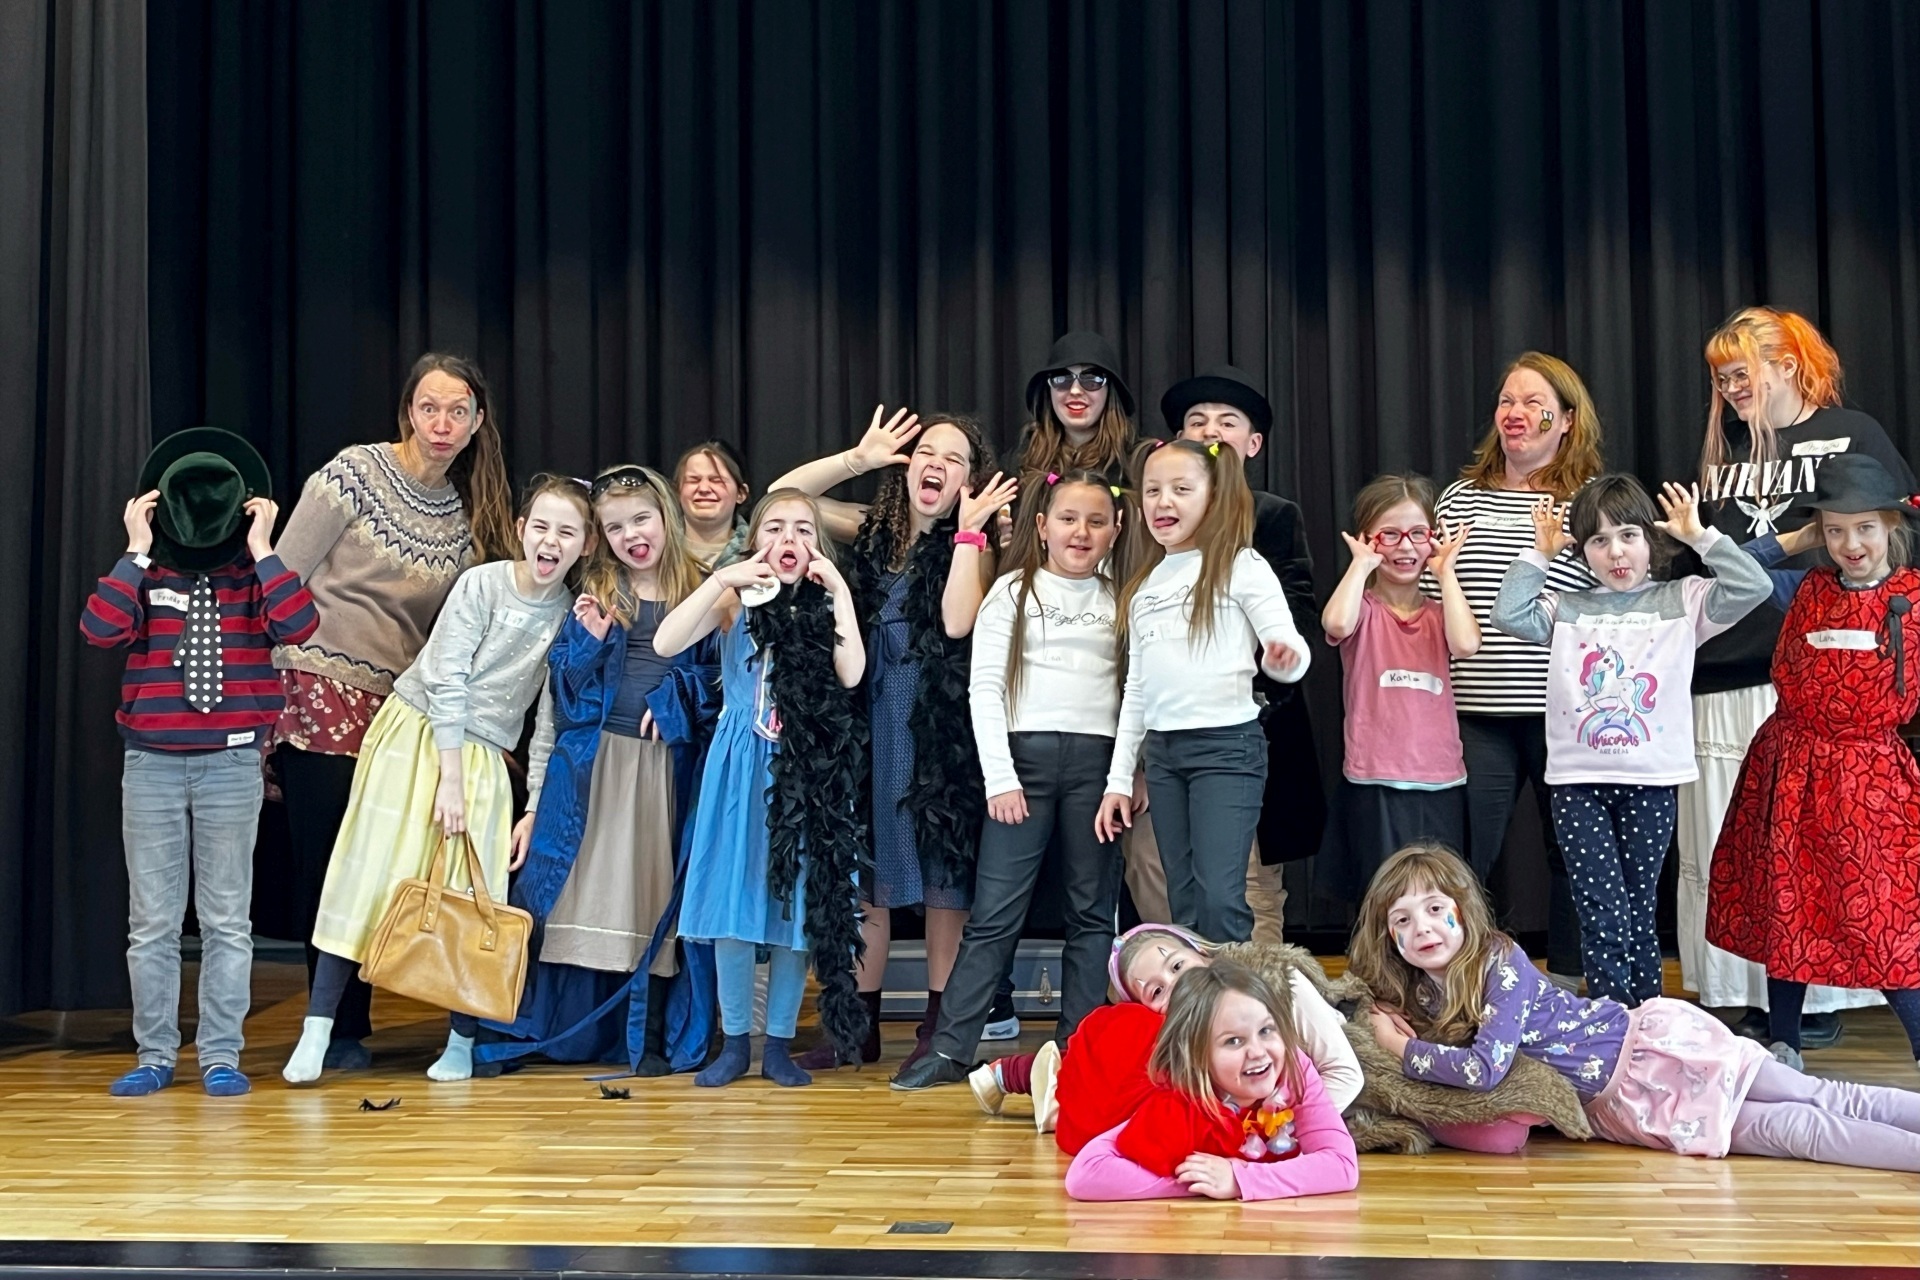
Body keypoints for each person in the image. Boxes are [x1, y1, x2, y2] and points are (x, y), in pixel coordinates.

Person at [281, 477, 592, 1085]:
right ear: (522, 529)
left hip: (485, 754)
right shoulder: (482, 584)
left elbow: (550, 721)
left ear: (585, 544)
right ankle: (317, 1030)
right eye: (541, 526)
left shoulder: (567, 615)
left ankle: (461, 1040)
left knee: (475, 894)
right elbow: (447, 676)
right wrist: (447, 779)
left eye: (567, 532)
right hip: (418, 733)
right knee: (366, 873)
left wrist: (532, 807)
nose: (550, 542)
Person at [1353, 843, 1920, 1170]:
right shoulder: (1421, 994)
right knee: (1793, 1132)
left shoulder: (1500, 962)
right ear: (1389, 937)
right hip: (1624, 1106)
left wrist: (1403, 1049)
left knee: (1819, 1096)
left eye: (1435, 908)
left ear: (1464, 909)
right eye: (1403, 919)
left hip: (1655, 1048)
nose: (1422, 927)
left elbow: (1485, 1070)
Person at [270, 353, 516, 1070]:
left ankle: (358, 1018)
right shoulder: (352, 474)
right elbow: (282, 578)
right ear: (408, 410)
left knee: (381, 861)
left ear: (477, 422)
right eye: (429, 408)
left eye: (458, 412)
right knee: (328, 860)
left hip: (401, 708)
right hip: (317, 686)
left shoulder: (469, 515)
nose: (442, 424)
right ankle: (337, 1027)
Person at [1678, 307, 1912, 1044]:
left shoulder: (1851, 433)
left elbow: (1900, 533)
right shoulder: (1726, 450)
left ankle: (1824, 1010)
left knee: (1846, 869)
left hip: (1840, 703)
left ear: (1787, 365)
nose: (1730, 389)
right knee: (1759, 863)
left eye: (1741, 373)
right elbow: (1713, 567)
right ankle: (1763, 1013)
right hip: (1735, 679)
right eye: (1721, 378)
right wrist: (1792, 541)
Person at [771, 408, 1010, 1069]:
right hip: (865, 722)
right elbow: (782, 498)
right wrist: (857, 458)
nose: (937, 464)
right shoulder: (867, 529)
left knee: (943, 879)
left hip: (937, 730)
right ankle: (856, 1029)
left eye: (955, 458)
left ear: (970, 479)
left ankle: (940, 1029)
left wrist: (968, 533)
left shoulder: (980, 545)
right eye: (927, 451)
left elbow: (958, 623)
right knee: (866, 879)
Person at [83, 429, 319, 1097]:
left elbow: (299, 626)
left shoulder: (253, 581)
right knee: (153, 923)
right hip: (152, 765)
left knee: (226, 921)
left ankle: (220, 1055)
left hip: (231, 765)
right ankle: (155, 1053)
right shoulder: (148, 575)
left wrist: (264, 549)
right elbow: (99, 629)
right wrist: (135, 549)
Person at [1490, 477, 1771, 1006]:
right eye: (1599, 541)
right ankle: (1614, 1022)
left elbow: (1752, 587)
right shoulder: (1566, 606)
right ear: (1583, 552)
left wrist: (1701, 537)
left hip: (1652, 782)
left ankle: (1646, 1018)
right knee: (1601, 912)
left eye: (1627, 536)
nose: (1616, 552)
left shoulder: (1683, 598)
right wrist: (1540, 554)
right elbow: (1508, 615)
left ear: (1650, 539)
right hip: (1578, 785)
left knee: (1639, 913)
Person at [889, 472, 1128, 1090]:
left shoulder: (1124, 597)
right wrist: (1000, 778)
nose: (1081, 532)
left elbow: (1138, 692)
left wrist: (1127, 774)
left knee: (1091, 913)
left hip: (1099, 767)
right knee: (995, 913)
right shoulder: (1011, 591)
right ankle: (950, 1048)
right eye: (1068, 519)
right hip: (1021, 765)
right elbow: (985, 689)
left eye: (1096, 521)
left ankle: (1078, 1048)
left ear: (1116, 530)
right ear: (1041, 526)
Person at [479, 466, 718, 1076]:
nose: (631, 535)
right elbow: (561, 699)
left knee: (648, 899)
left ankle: (645, 1037)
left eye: (641, 520)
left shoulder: (705, 589)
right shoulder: (597, 593)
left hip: (662, 774)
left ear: (666, 516)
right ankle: (551, 1031)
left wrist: (677, 702)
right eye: (614, 527)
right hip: (593, 769)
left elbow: (721, 683)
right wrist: (585, 643)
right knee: (573, 894)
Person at [1707, 454, 1920, 1072]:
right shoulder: (1804, 588)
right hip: (1791, 769)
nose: (1851, 545)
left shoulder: (1913, 598)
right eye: (1835, 530)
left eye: (1865, 528)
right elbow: (1733, 567)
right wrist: (1797, 539)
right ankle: (1785, 1047)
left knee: (1881, 917)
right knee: (1789, 903)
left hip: (1869, 781)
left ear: (1891, 526)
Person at [657, 490, 867, 1087]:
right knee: (734, 904)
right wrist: (722, 579)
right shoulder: (733, 601)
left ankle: (778, 1045)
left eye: (803, 529)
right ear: (754, 543)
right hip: (740, 768)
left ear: (817, 548)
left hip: (806, 770)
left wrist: (840, 594)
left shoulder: (826, 605)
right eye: (774, 528)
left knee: (799, 905)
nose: (788, 539)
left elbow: (852, 673)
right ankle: (734, 1044)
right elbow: (666, 642)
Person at [1432, 352, 1604, 986]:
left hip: (1564, 711)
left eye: (1535, 404)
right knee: (1466, 854)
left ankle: (1571, 983)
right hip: (1477, 710)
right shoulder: (1460, 498)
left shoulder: (1585, 502)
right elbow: (1431, 592)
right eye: (1508, 400)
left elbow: (1608, 597)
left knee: (1572, 851)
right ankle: (1460, 981)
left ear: (1566, 420)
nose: (1516, 413)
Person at [1096, 439, 1311, 943]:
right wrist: (1118, 780)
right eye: (1152, 490)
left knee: (1221, 895)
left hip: (1226, 747)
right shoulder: (1145, 586)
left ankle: (1235, 990)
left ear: (1212, 498)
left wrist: (1281, 660)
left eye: (1180, 489)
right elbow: (1137, 690)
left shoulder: (1241, 565)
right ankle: (1197, 992)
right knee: (1184, 898)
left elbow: (1291, 650)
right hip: (1164, 754)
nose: (1163, 502)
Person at [1168, 367, 1325, 943]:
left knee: (1252, 888)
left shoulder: (1273, 515)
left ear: (1253, 443)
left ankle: (1261, 998)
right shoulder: (1156, 517)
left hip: (1252, 728)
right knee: (1173, 888)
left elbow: (1298, 618)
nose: (1211, 431)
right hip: (1167, 734)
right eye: (1197, 421)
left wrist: (1260, 687)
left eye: (1227, 422)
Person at [1062, 960, 1360, 1201]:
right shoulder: (1179, 1100)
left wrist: (1240, 1178)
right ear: (1199, 1057)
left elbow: (1342, 1165)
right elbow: (1085, 1174)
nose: (1258, 1052)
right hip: (1110, 1083)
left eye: (1266, 1030)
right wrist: (1203, 1181)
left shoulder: (1293, 1067)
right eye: (1233, 1041)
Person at [1320, 473, 1477, 894]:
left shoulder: (1438, 613)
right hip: (1375, 779)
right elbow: (1336, 623)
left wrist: (1446, 575)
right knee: (1381, 895)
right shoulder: (1363, 609)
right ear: (1367, 540)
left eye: (1418, 534)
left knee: (1439, 895)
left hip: (1440, 778)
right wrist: (1360, 566)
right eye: (1389, 535)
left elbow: (1465, 644)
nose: (1405, 547)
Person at [674, 441, 751, 569]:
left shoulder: (761, 549)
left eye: (717, 480)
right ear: (677, 492)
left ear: (741, 494)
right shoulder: (658, 548)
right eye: (693, 480)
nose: (704, 488)